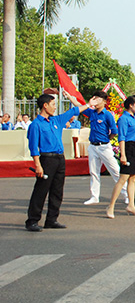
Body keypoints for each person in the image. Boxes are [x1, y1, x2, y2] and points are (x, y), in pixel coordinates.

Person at [25, 93, 100, 231]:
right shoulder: (36, 124)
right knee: (41, 191)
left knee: (57, 191)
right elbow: (33, 147)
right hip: (47, 159)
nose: (55, 108)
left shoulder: (56, 121)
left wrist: (88, 105)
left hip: (60, 159)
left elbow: (74, 111)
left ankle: (52, 220)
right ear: (45, 105)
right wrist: (38, 165)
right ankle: (32, 221)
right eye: (53, 105)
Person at [82, 91, 123, 205]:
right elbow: (79, 106)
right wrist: (70, 96)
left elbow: (114, 131)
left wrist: (107, 140)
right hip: (93, 146)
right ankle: (94, 196)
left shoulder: (107, 114)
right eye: (94, 98)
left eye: (98, 99)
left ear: (104, 101)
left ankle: (126, 194)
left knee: (114, 170)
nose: (95, 101)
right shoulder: (92, 113)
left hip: (104, 146)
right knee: (94, 172)